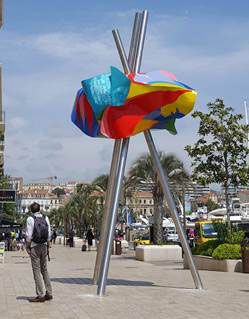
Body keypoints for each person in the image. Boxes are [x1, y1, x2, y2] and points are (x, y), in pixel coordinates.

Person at [26, 202, 53, 302]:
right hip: (44, 246)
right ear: (39, 209)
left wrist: (27, 247)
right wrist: (48, 244)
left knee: (36, 271)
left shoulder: (30, 219)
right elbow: (49, 233)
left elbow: (29, 236)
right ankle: (49, 293)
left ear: (31, 210)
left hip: (35, 246)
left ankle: (40, 295)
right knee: (44, 270)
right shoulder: (45, 218)